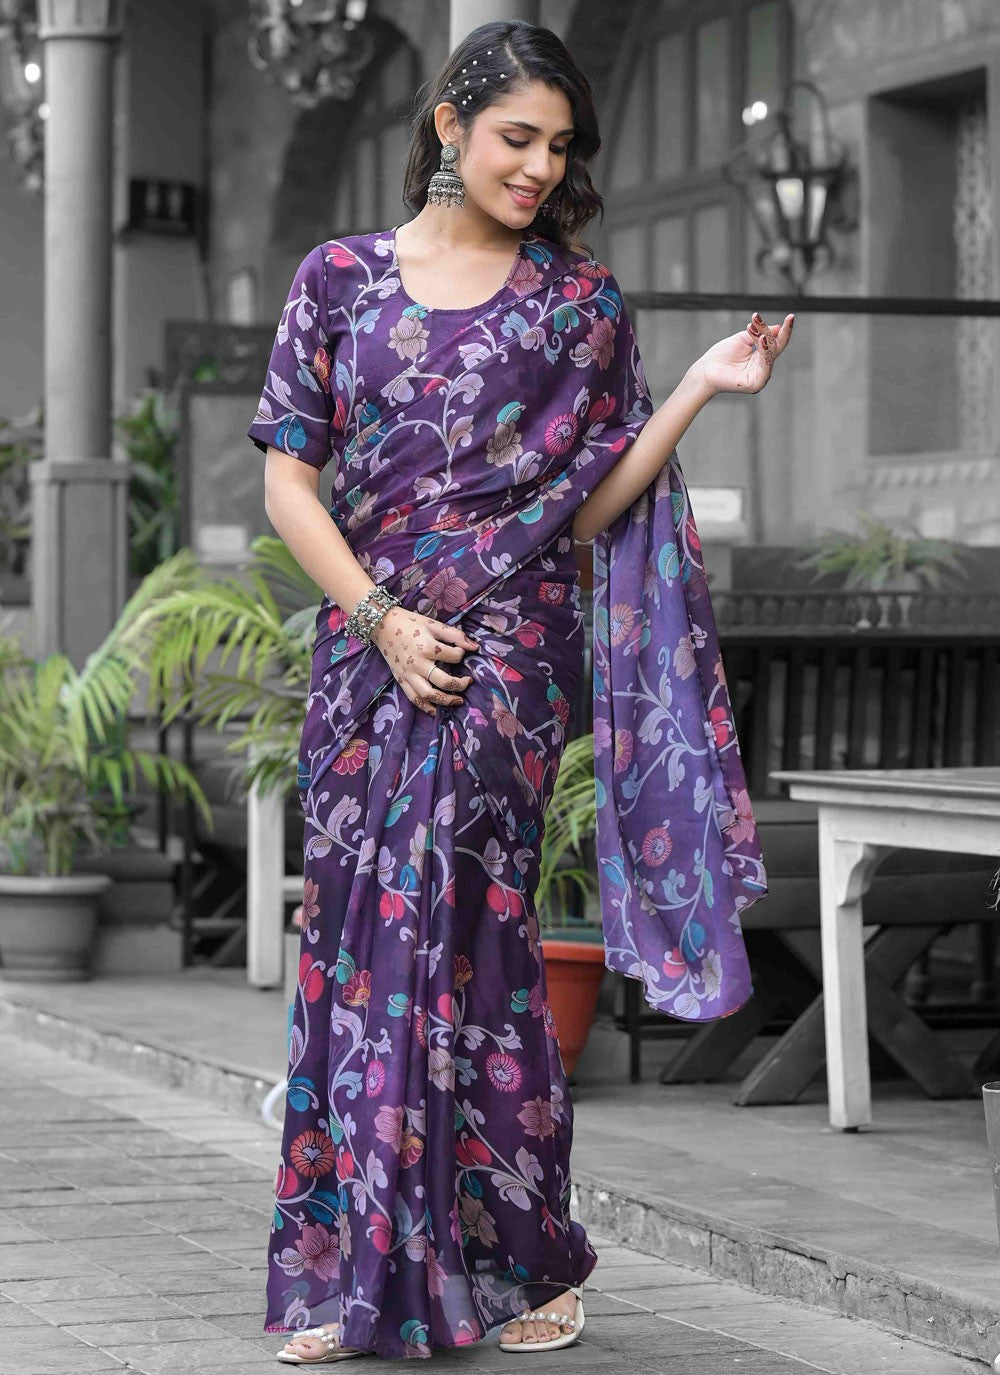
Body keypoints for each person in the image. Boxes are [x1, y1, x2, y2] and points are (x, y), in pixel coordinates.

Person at [247, 19, 789, 1364]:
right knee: (357, 945)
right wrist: (380, 621)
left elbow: (592, 504)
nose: (540, 166)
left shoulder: (578, 305)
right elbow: (288, 483)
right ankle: (351, 1273)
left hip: (504, 659)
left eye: (560, 145)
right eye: (516, 137)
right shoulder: (338, 281)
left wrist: (700, 388)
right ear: (449, 124)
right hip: (368, 657)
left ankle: (520, 1262)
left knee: (474, 945)